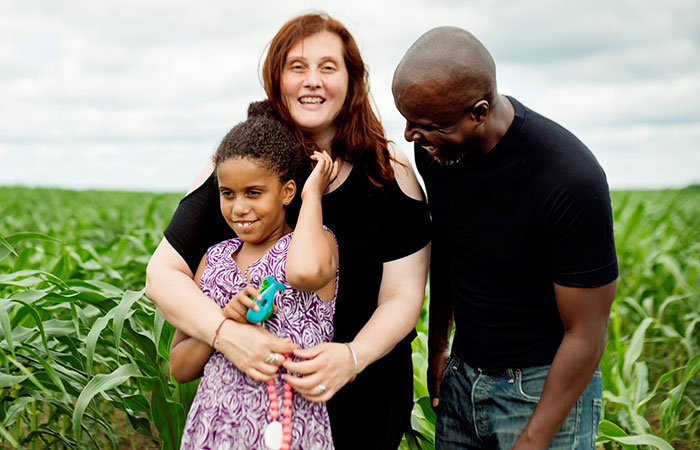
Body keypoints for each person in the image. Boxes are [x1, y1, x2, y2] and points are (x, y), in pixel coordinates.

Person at [145, 12, 431, 449]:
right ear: (276, 79)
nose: (312, 80)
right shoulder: (242, 167)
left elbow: (403, 296)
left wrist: (353, 357)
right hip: (249, 411)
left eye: (328, 67)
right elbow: (162, 274)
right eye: (297, 67)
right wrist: (226, 334)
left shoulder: (386, 171)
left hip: (361, 397)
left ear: (353, 82)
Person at [391, 26, 618, 449]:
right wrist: (440, 342)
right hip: (463, 377)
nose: (410, 137)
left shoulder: (568, 179)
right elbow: (449, 242)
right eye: (407, 120)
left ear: (478, 111)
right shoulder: (438, 150)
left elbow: (587, 333)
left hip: (542, 387)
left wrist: (534, 438)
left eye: (427, 125)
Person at [169, 103, 339, 449]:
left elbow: (304, 272)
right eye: (227, 194)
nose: (238, 208)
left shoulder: (315, 245)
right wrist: (222, 322)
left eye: (254, 193)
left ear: (288, 192)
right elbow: (180, 367)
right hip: (213, 431)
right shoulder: (213, 260)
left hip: (292, 432)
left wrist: (313, 195)